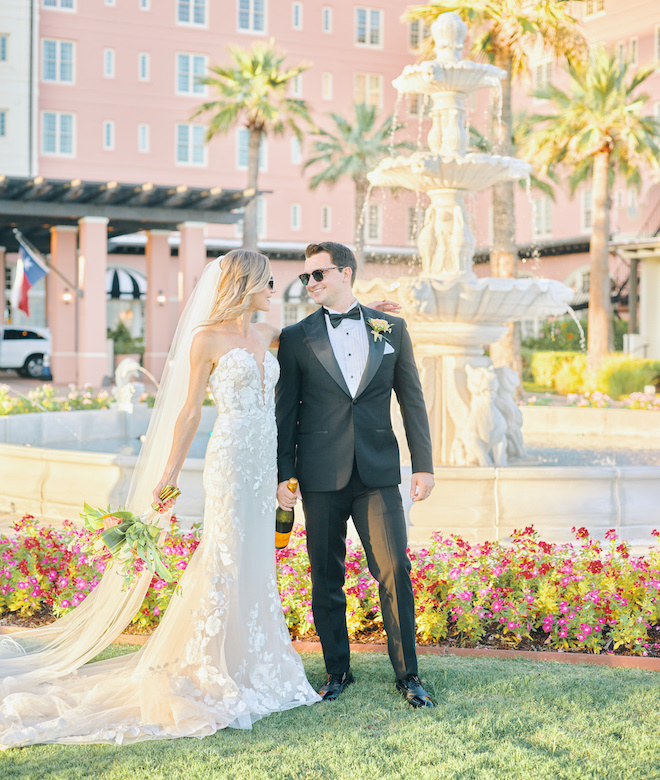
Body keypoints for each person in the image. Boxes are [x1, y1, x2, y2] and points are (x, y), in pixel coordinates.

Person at [0, 250, 322, 747]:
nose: (273, 289)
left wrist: (367, 310)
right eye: (267, 282)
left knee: (257, 560)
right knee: (225, 556)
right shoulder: (206, 338)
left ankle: (254, 659)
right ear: (243, 284)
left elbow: (311, 336)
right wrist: (169, 473)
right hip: (231, 460)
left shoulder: (264, 334)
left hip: (263, 464)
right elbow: (190, 411)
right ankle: (207, 664)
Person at [275, 242, 436, 709]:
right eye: (306, 277)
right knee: (326, 575)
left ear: (345, 273)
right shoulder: (295, 336)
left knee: (394, 571)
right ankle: (336, 671)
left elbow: (412, 399)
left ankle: (408, 675)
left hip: (378, 473)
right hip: (320, 474)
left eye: (319, 274)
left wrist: (422, 464)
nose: (311, 283)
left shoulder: (392, 329)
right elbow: (285, 413)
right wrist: (285, 474)